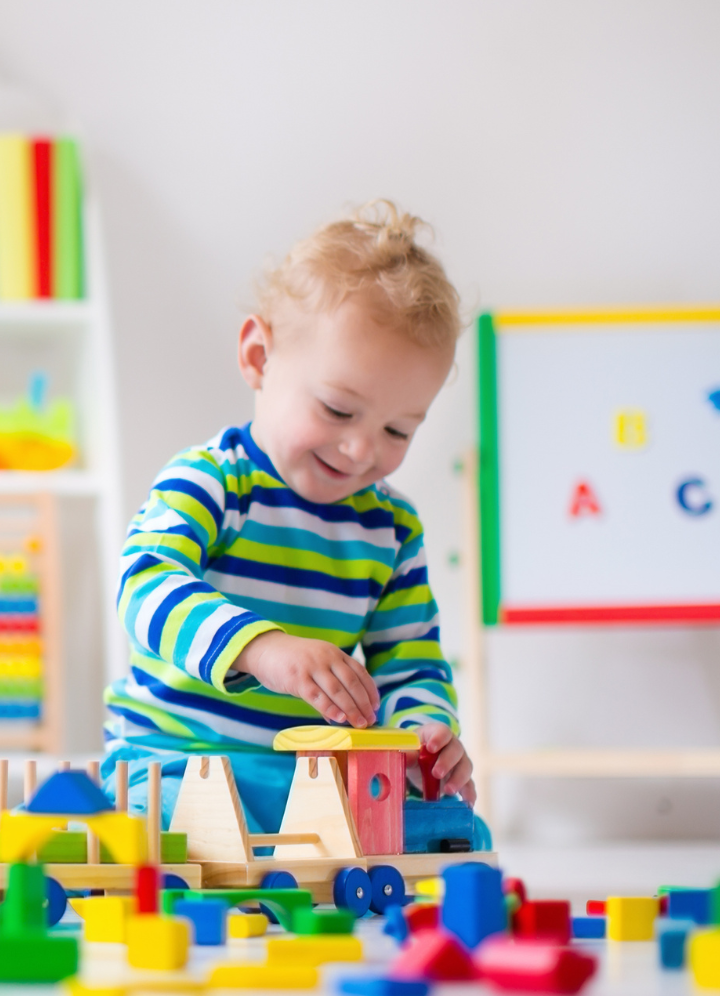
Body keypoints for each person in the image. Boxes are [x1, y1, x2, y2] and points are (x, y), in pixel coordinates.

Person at [102, 200, 479, 838]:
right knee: (156, 832)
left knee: (452, 832)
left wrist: (422, 733)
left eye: (397, 429)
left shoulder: (391, 530)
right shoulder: (214, 481)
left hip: (314, 781)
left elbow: (409, 663)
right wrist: (260, 649)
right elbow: (144, 585)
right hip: (174, 762)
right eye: (338, 410)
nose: (363, 449)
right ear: (258, 357)